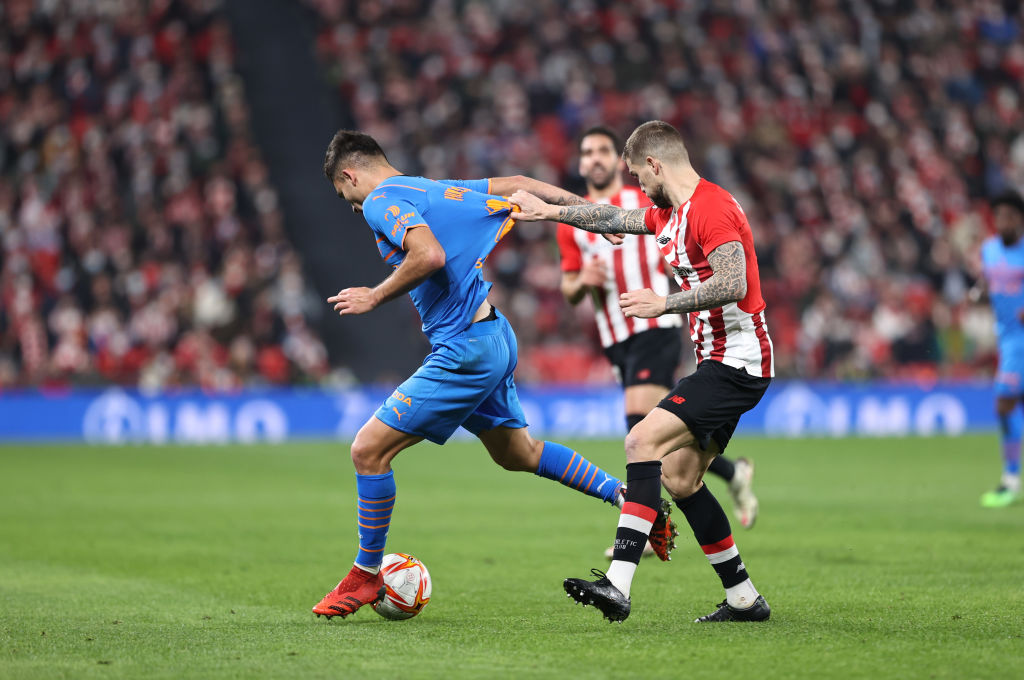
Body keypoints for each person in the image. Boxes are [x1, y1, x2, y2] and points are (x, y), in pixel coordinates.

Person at [311, 130, 677, 620]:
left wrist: (374, 296)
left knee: (367, 451)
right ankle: (628, 498)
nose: (355, 208)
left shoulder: (380, 200)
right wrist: (592, 215)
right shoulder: (434, 188)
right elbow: (525, 184)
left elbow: (429, 255)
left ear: (350, 175)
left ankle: (366, 573)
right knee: (518, 453)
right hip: (494, 336)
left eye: (346, 196)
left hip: (465, 349)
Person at [511, 120, 774, 624]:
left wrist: (664, 303)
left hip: (737, 363)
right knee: (680, 479)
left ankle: (618, 584)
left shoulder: (712, 208)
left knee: (640, 441)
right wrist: (550, 211)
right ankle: (744, 598)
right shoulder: (668, 213)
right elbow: (612, 216)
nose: (638, 184)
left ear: (654, 165)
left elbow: (735, 282)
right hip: (720, 361)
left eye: (637, 174)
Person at [558, 126, 759, 545]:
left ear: (633, 164)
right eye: (587, 152)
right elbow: (572, 285)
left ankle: (644, 525)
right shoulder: (586, 223)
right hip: (617, 335)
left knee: (641, 432)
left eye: (604, 151)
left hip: (658, 327)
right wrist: (548, 215)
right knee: (672, 456)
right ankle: (729, 477)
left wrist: (666, 299)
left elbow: (722, 271)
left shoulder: (667, 199)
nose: (596, 158)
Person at [976, 190, 1024, 507]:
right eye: (998, 216)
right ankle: (1011, 480)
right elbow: (987, 282)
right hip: (1006, 339)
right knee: (1011, 404)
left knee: (1004, 403)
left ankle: (1010, 480)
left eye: (1009, 216)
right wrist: (977, 294)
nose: (1002, 222)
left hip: (1021, 339)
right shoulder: (989, 250)